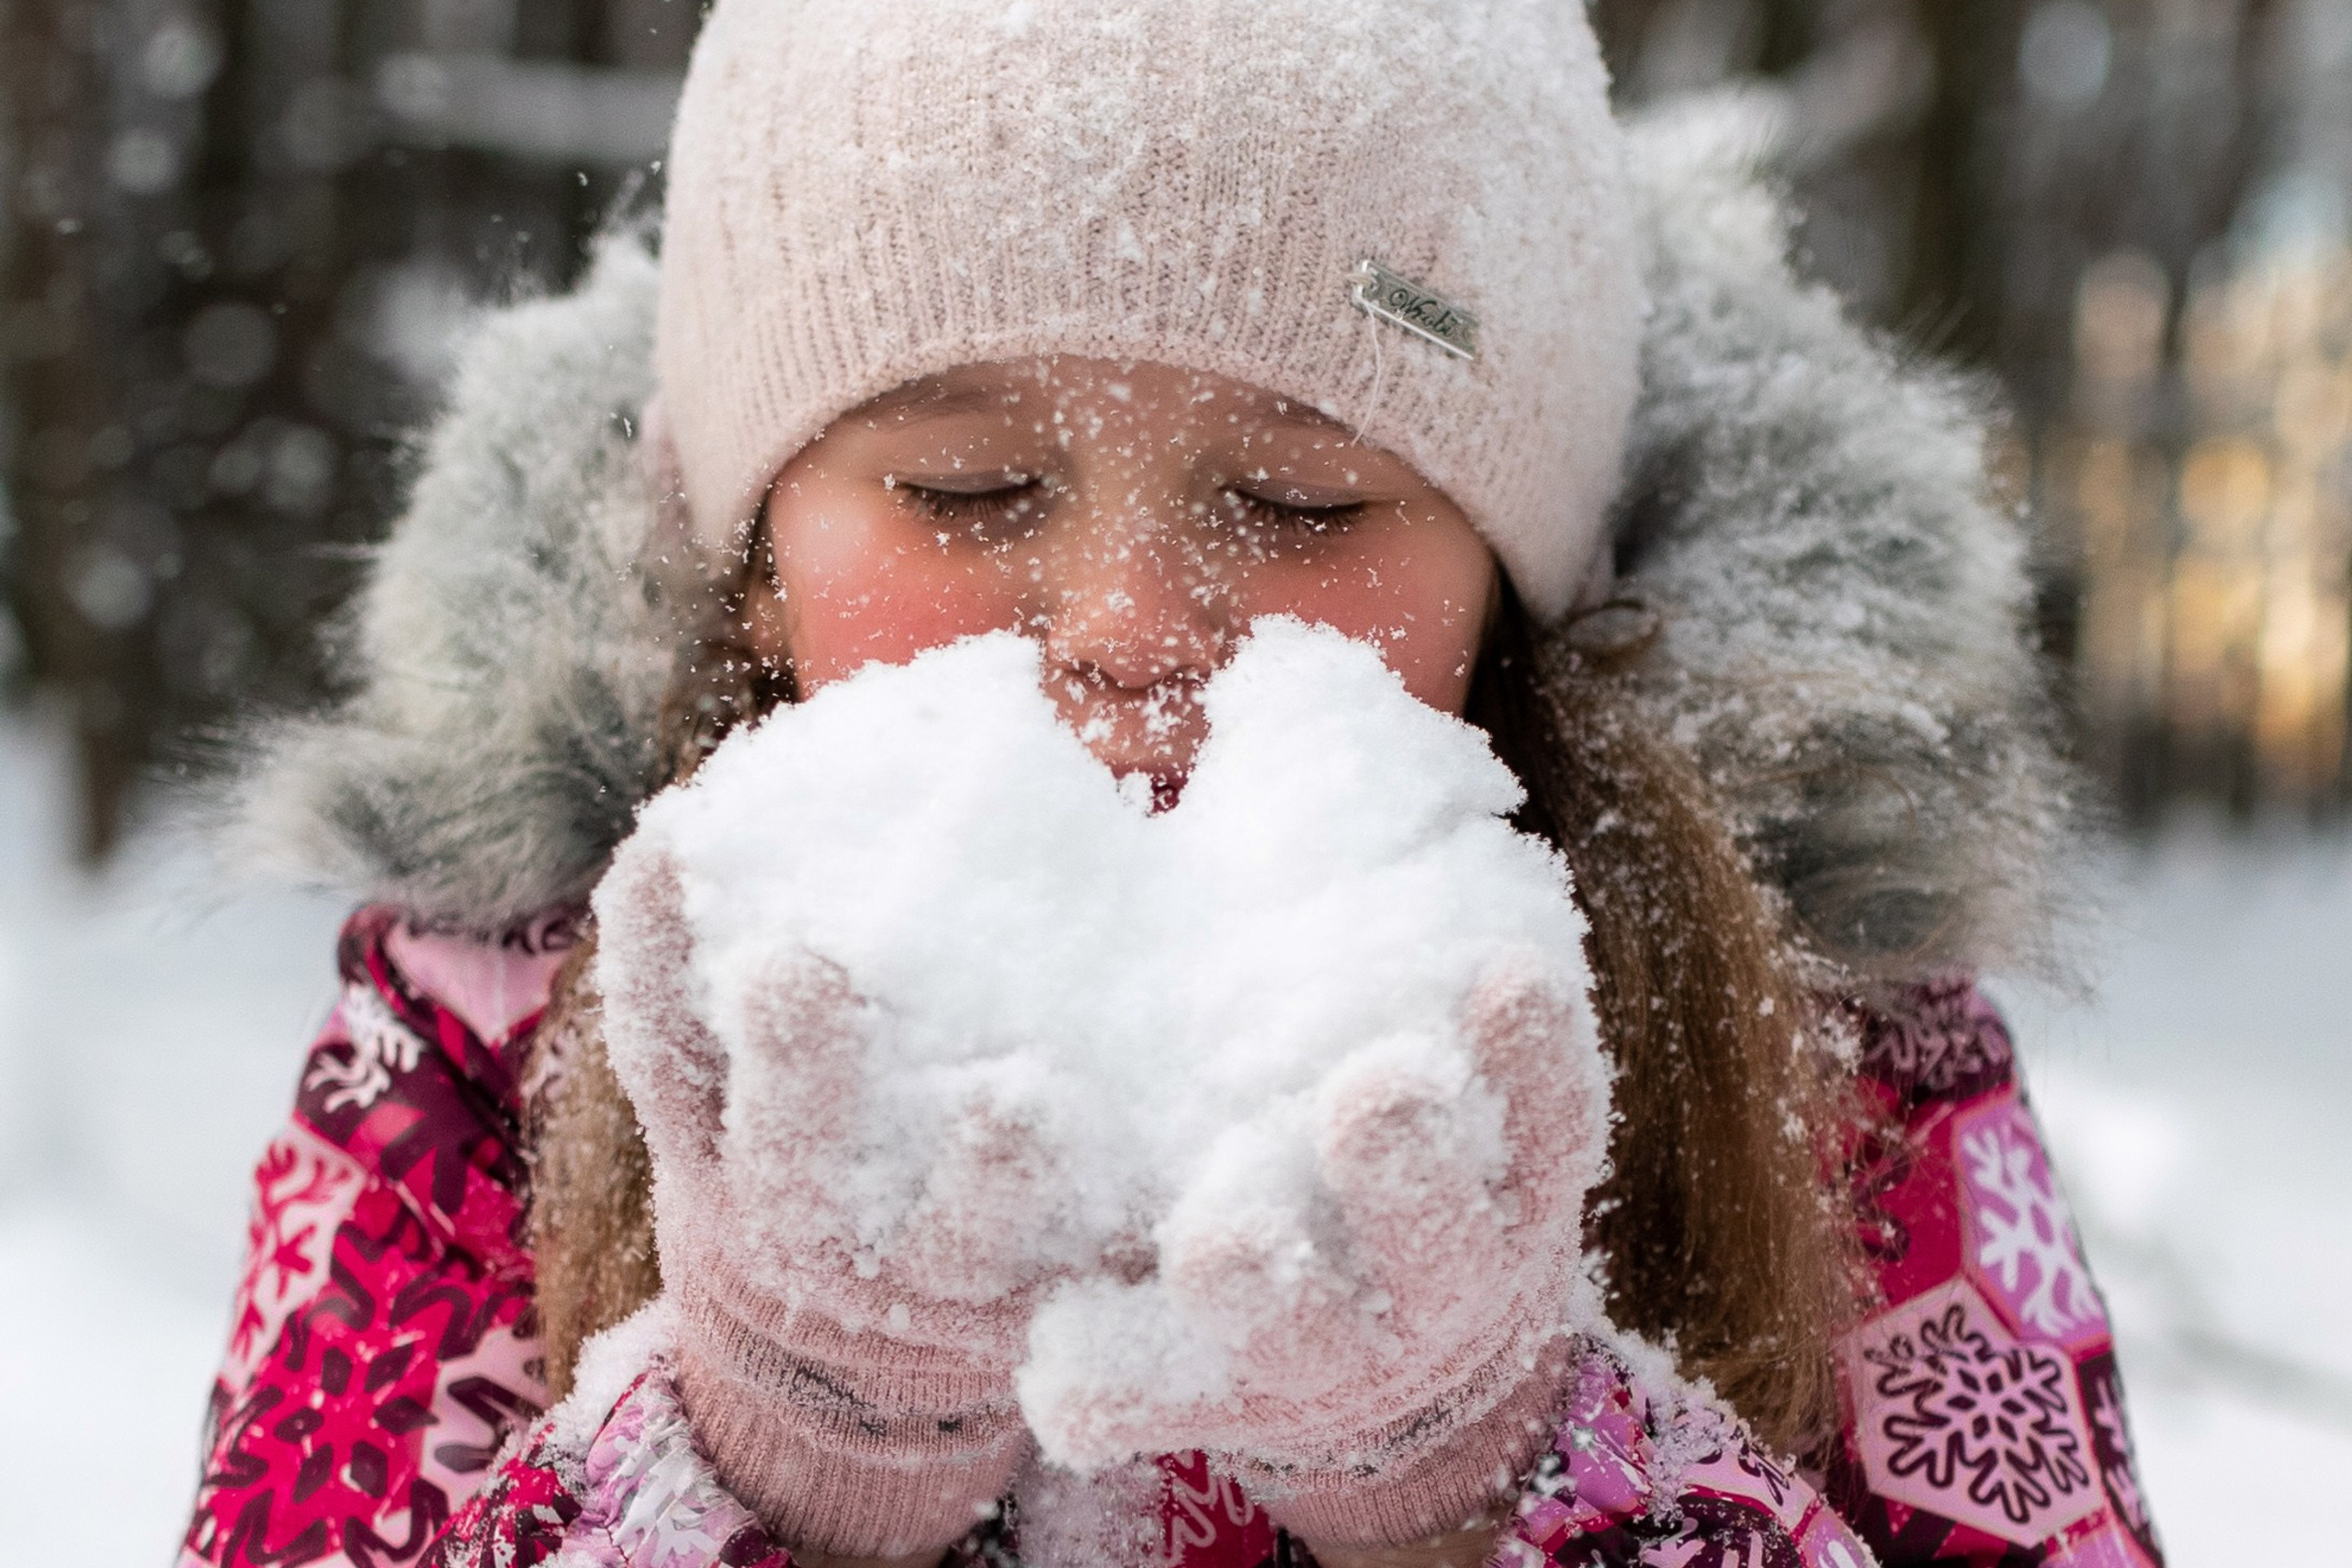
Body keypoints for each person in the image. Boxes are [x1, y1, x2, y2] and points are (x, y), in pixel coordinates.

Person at [179, 4, 2164, 1567]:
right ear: (753, 549)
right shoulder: (483, 1029)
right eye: (967, 490)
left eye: (1297, 499)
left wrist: (1490, 1486)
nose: (1132, 622)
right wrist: (766, 1462)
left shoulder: (1833, 1056)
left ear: (1508, 575)